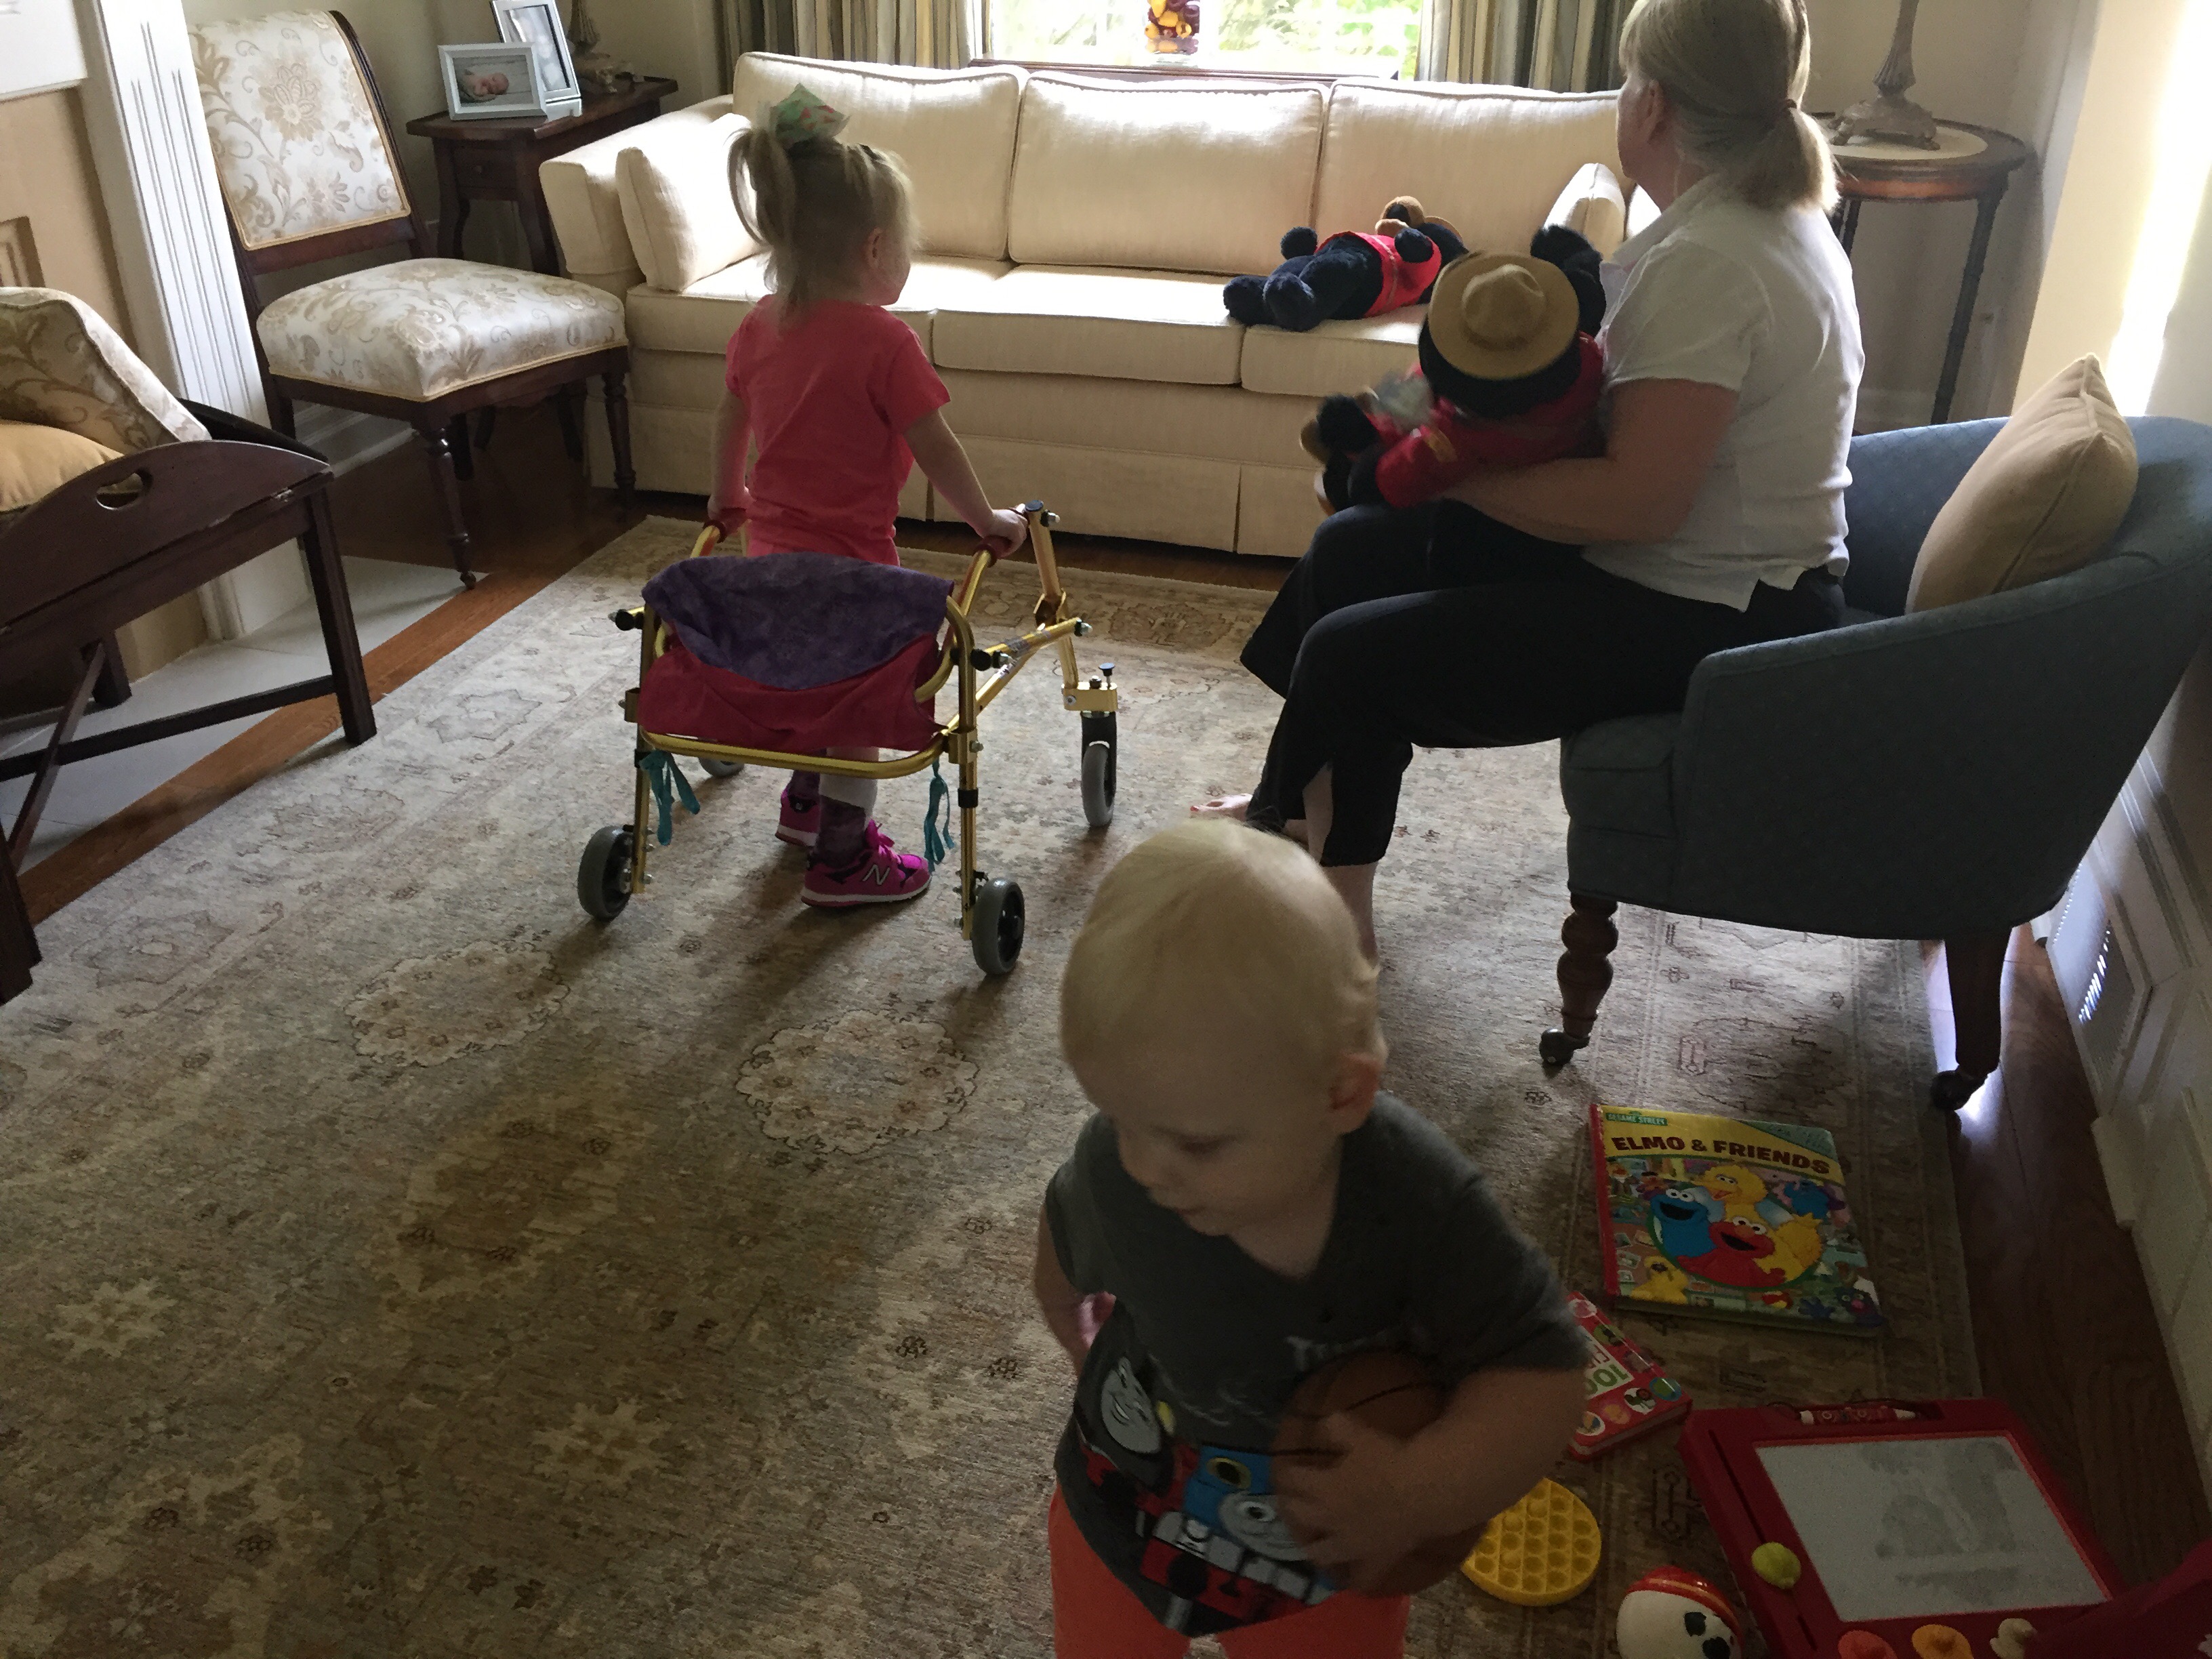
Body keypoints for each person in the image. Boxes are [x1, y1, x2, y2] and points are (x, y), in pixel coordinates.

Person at [1200, 0, 1860, 961]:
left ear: (1655, 106)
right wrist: (1423, 446)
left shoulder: (1714, 263)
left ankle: (1339, 939)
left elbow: (1641, 502)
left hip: (1715, 611)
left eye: (1628, 82)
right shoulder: (1747, 224)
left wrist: (1444, 477)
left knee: (1352, 655)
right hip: (1693, 570)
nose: (1623, 100)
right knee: (1349, 550)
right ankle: (1301, 813)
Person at [1033, 821, 1584, 1657]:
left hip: (1326, 1550)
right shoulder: (1123, 1158)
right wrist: (1060, 1304)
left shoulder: (1420, 1204)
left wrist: (1416, 1492)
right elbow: (1071, 1218)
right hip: (1122, 1503)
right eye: (1117, 1116)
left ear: (1341, 1095)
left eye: (1196, 1144)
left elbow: (1545, 1374)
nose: (1145, 1167)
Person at [708, 85, 1029, 909]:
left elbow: (732, 411)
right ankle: (844, 861)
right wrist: (986, 520)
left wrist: (727, 493)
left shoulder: (760, 324)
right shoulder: (887, 342)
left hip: (769, 559)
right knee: (859, 705)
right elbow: (937, 447)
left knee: (811, 679)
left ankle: (804, 807)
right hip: (854, 567)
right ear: (876, 248)